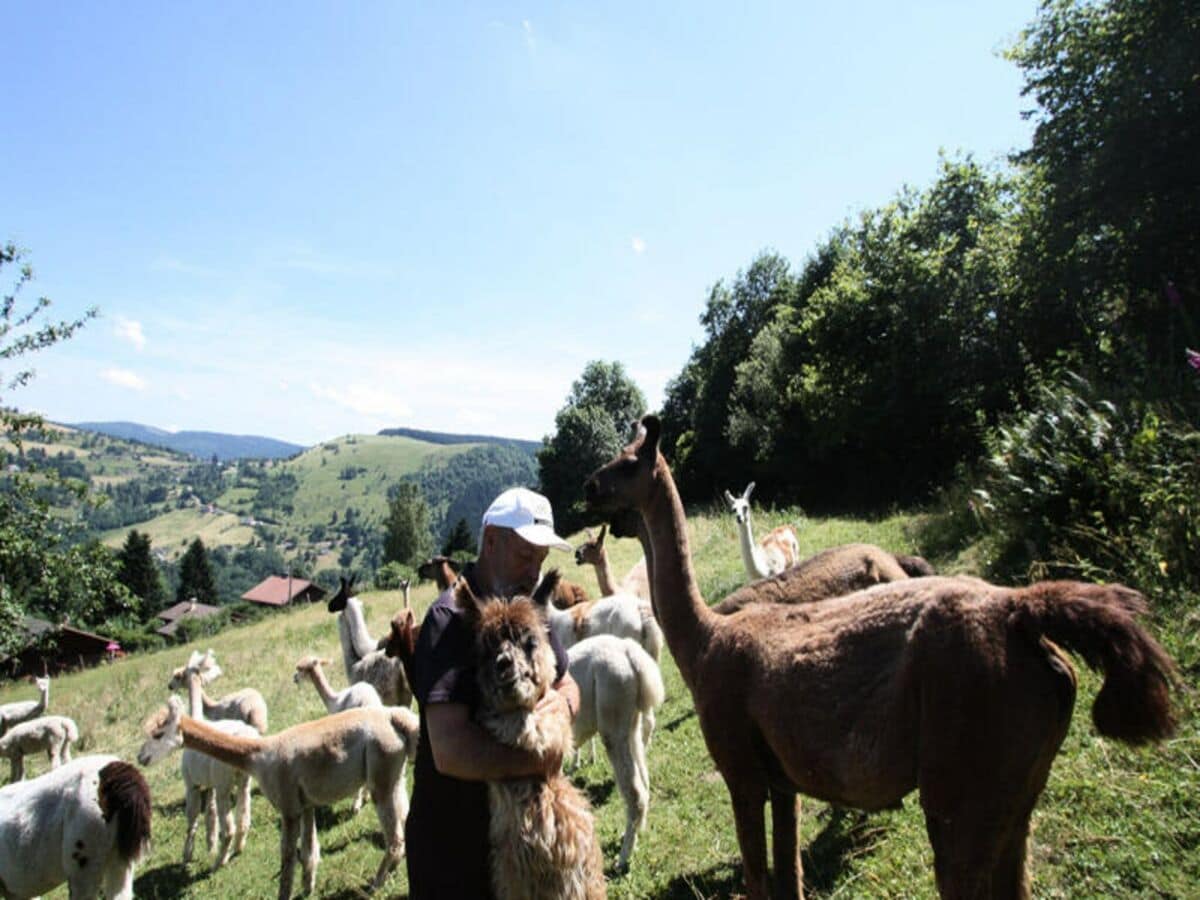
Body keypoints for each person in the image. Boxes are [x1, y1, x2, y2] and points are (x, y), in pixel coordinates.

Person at [405, 487, 582, 898]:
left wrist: (562, 708)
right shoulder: (448, 621)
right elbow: (450, 749)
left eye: (540, 561)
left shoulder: (526, 609)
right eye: (525, 556)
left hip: (517, 849)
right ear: (490, 540)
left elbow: (566, 682)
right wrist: (538, 757)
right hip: (456, 855)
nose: (532, 572)